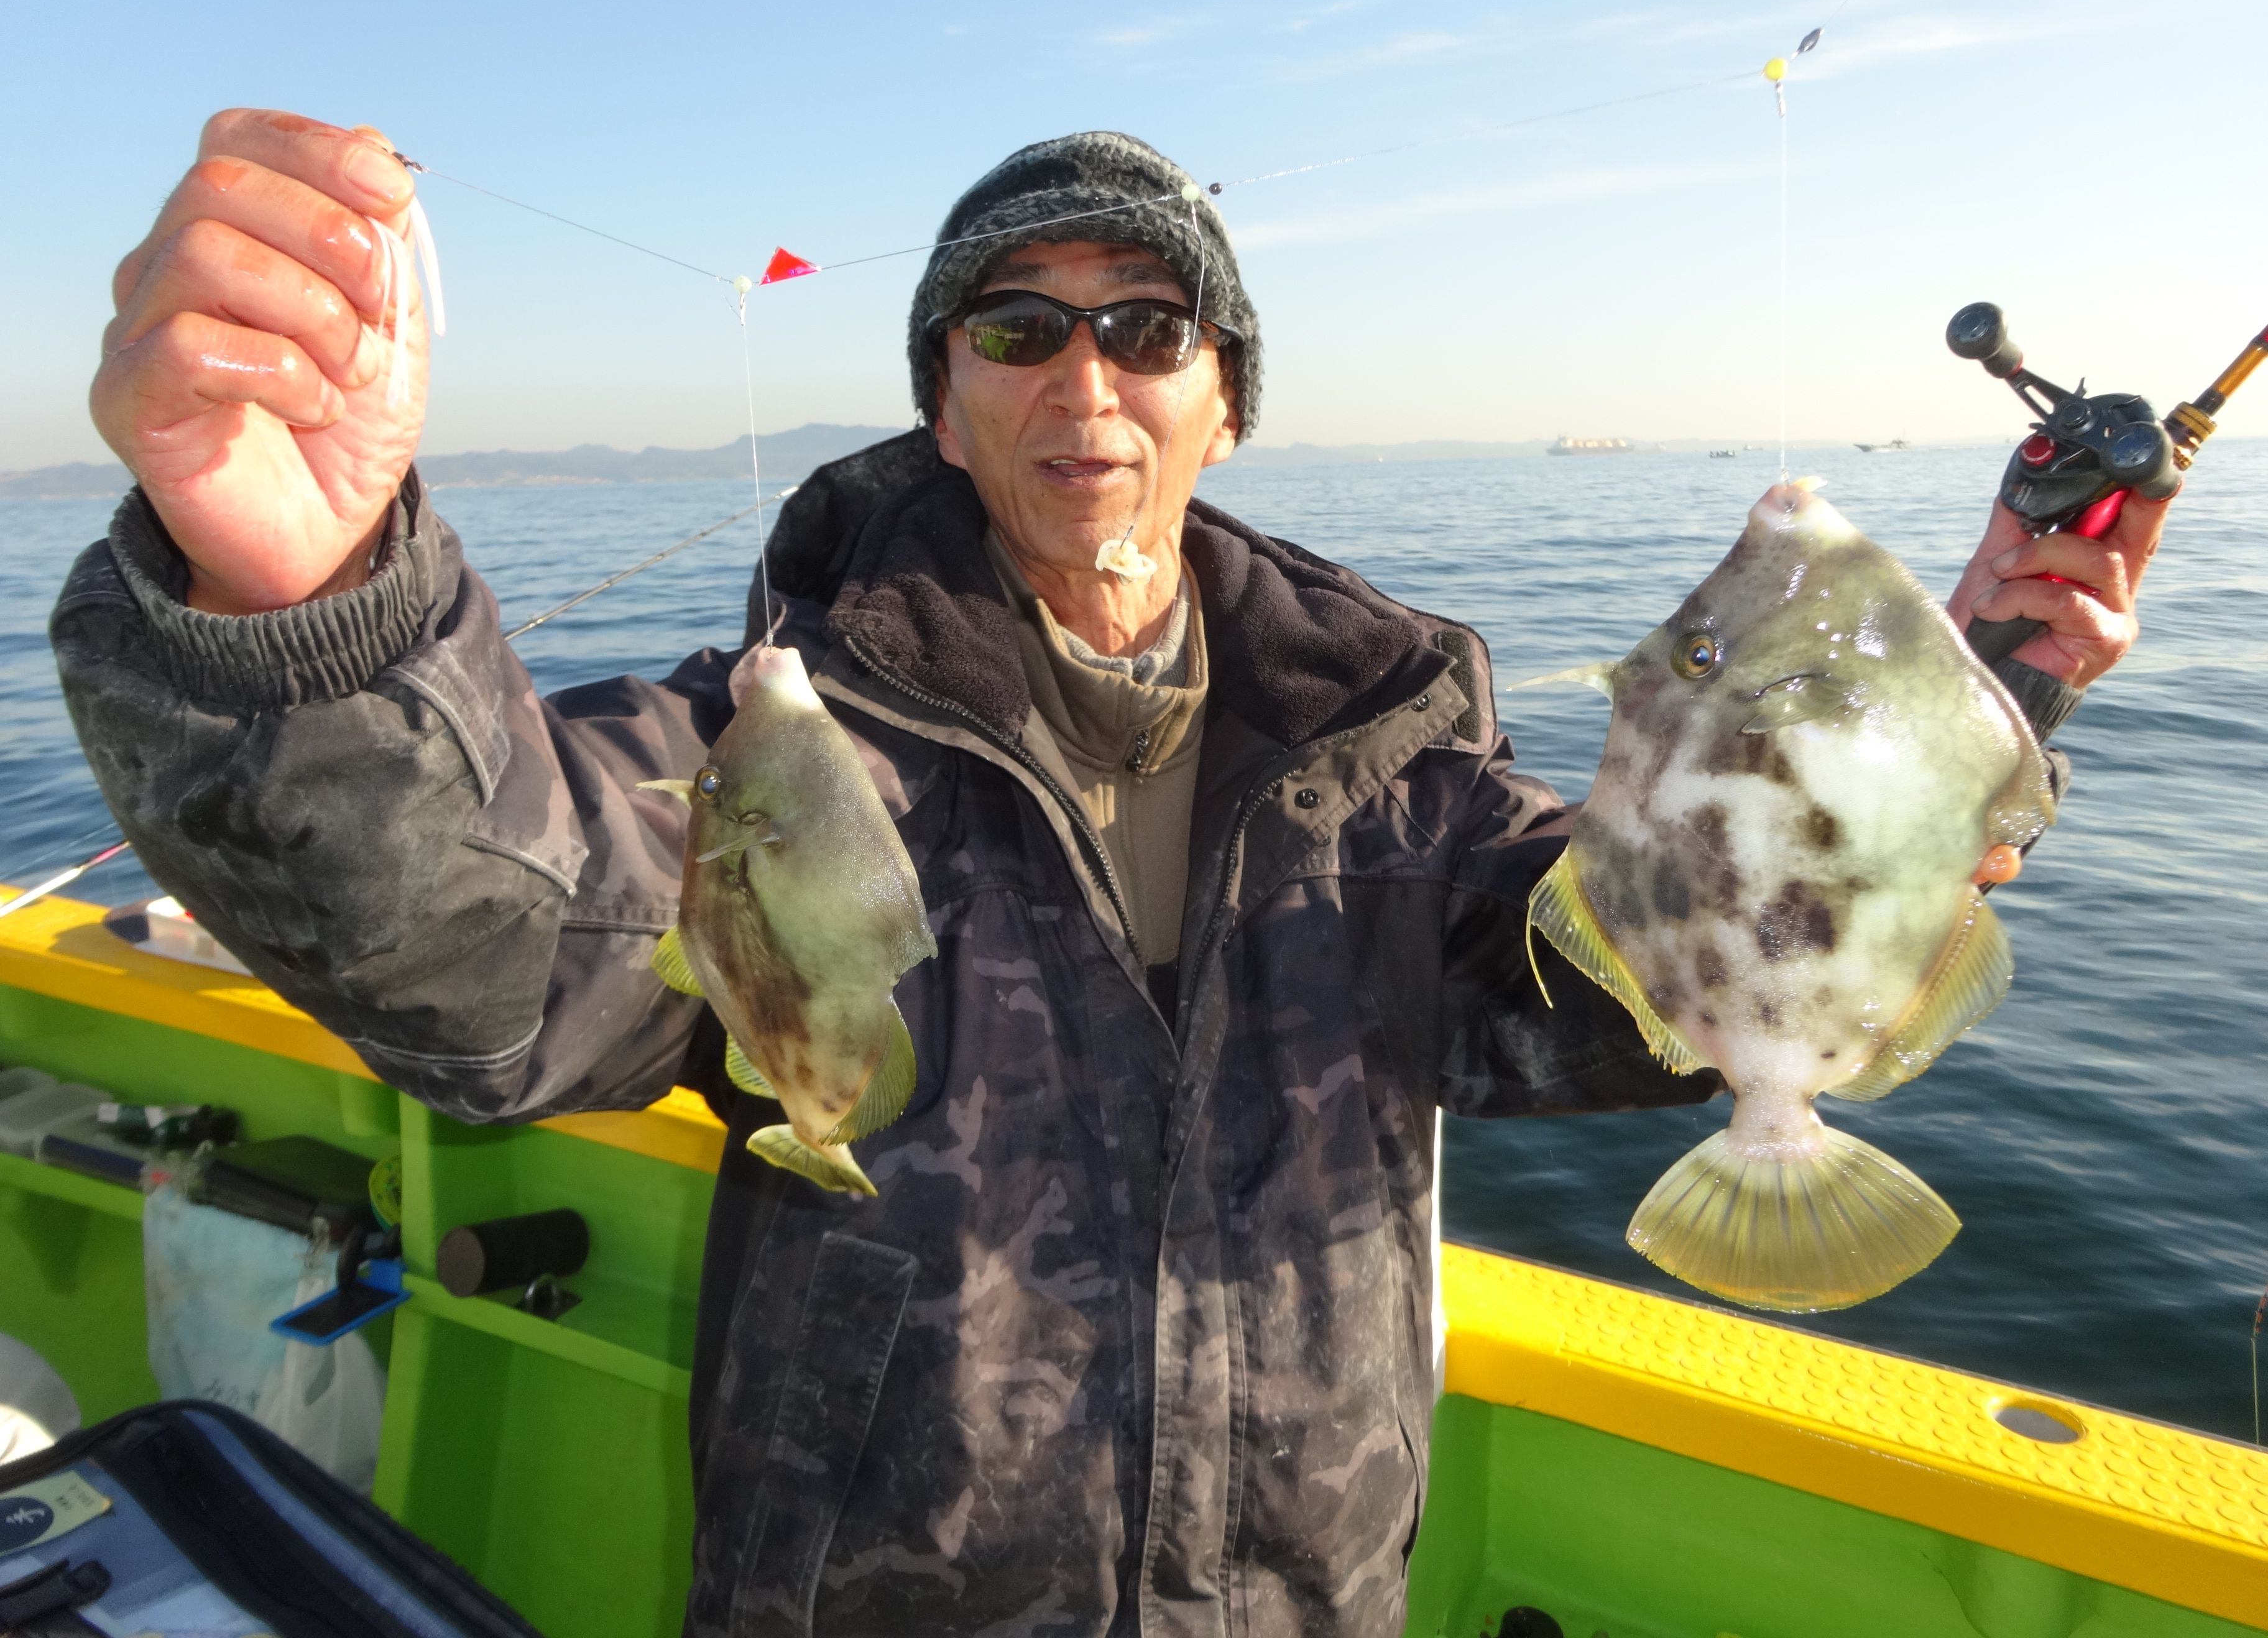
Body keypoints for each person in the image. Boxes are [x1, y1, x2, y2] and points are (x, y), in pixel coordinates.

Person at [53, 111, 2166, 1637]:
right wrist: (300, 597)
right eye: (1017, 327)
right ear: (943, 405)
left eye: (1152, 328)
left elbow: (1636, 977)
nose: (1088, 378)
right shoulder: (770, 744)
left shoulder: (1397, 765)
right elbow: (505, 945)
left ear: (1224, 403)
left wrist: (1977, 695)